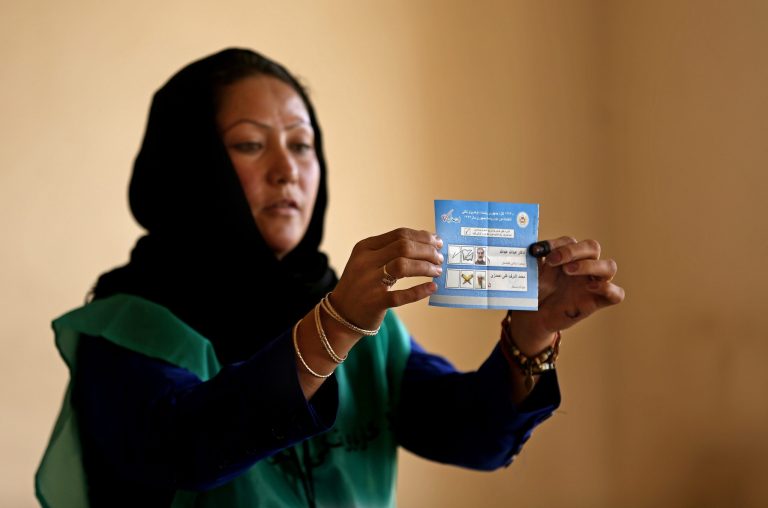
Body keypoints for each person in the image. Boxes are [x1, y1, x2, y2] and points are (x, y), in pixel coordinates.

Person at [36, 48, 624, 507]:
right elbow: (186, 448)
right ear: (191, 166)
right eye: (248, 144)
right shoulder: (128, 327)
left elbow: (469, 434)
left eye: (302, 144)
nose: (287, 169)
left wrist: (534, 331)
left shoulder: (356, 316)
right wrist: (335, 326)